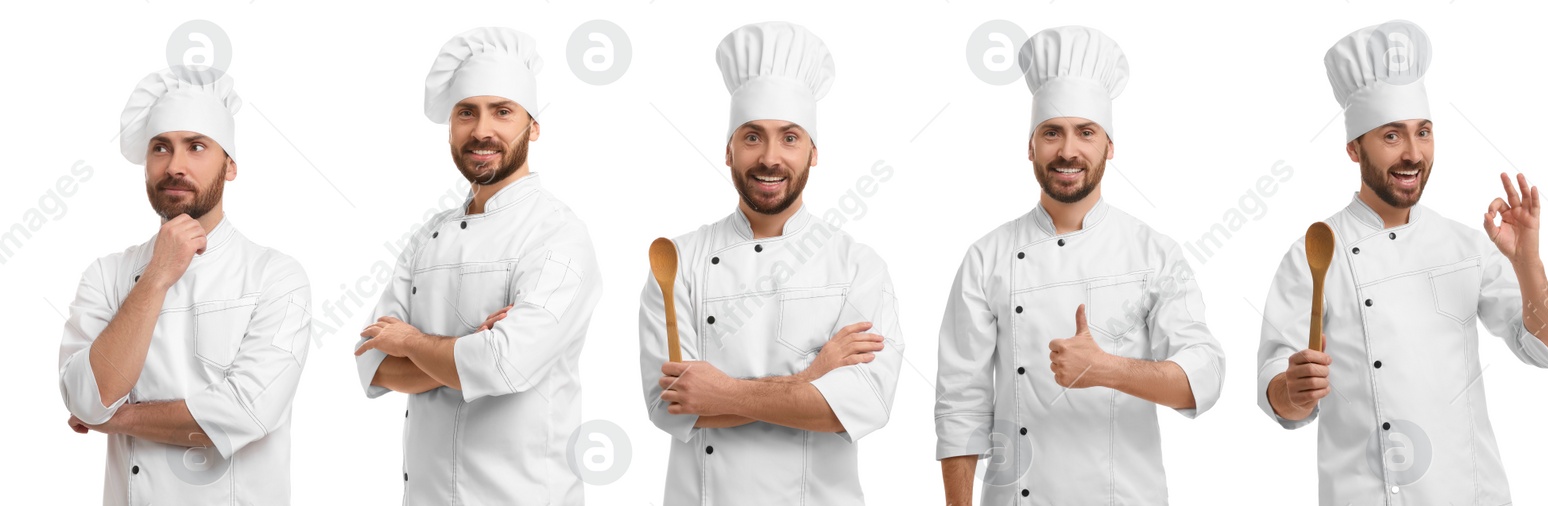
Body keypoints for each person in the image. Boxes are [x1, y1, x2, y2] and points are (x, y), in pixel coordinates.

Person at [1255, 20, 1548, 505]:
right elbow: (1280, 393)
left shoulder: (1464, 244)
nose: (1413, 153)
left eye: (1423, 132)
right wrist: (1291, 392)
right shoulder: (1315, 252)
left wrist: (1528, 262)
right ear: (1353, 148)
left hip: (1472, 492)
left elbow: (1546, 350)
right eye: (1391, 136)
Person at [933, 26, 1226, 506]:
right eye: (1052, 133)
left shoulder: (1154, 253)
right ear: (1031, 147)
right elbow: (960, 404)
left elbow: (1204, 380)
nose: (1068, 151)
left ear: (1109, 146)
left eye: (1085, 133)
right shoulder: (987, 258)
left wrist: (1106, 368)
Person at [638, 21, 904, 505]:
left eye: (790, 138)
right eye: (753, 137)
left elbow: (861, 405)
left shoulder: (857, 267)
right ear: (728, 150)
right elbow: (671, 407)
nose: (770, 158)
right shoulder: (677, 262)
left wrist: (720, 394)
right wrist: (813, 377)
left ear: (813, 153)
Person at [353, 27, 602, 505]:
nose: (481, 130)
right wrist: (473, 351)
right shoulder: (428, 236)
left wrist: (411, 342)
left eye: (502, 112)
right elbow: (373, 364)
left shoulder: (558, 234)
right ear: (451, 126)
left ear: (532, 127)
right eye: (466, 112)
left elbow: (506, 364)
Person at [59, 67, 313, 505]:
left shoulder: (277, 276)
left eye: (197, 147)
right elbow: (86, 397)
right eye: (161, 148)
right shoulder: (106, 275)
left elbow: (245, 413)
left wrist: (114, 419)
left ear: (229, 166)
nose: (175, 166)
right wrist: (157, 276)